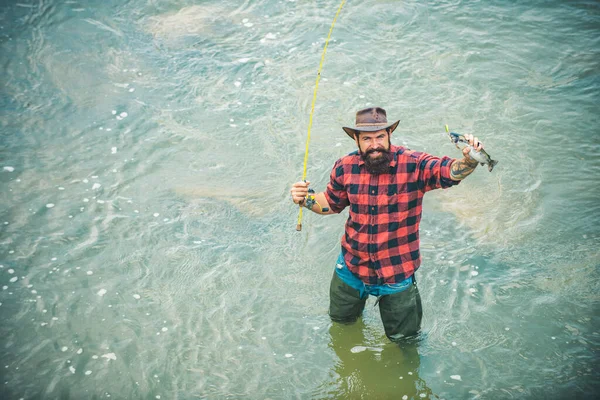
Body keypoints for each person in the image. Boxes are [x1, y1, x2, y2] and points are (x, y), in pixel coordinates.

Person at [290, 107, 484, 342]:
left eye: (380, 136)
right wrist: (305, 198)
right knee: (341, 326)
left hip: (397, 274)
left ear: (390, 134)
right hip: (351, 268)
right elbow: (330, 204)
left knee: (405, 342)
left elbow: (449, 172)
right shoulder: (345, 166)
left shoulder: (415, 164)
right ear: (356, 139)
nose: (375, 144)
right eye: (367, 139)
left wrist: (469, 160)